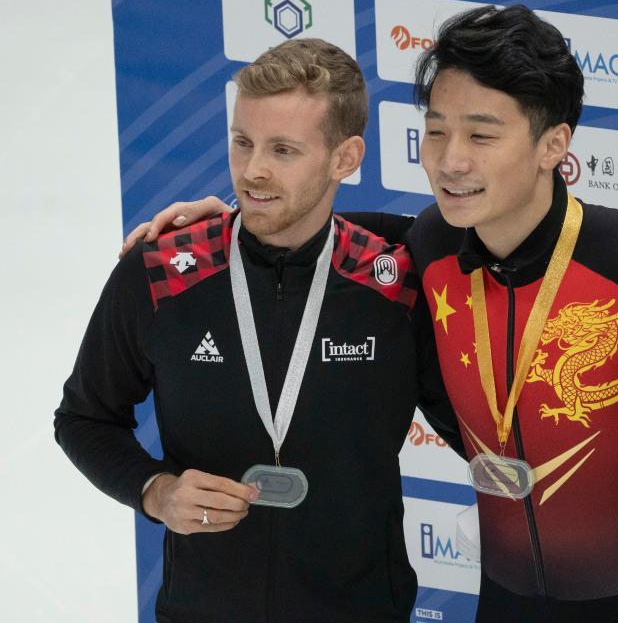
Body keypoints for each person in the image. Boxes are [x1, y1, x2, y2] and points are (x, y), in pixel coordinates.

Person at [122, 7, 618, 622]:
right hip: (504, 601)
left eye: (481, 136)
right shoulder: (429, 245)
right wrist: (232, 220)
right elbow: (313, 230)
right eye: (437, 131)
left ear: (553, 145)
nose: (450, 161)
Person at [55, 38, 459, 623]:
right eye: (242, 142)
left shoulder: (399, 285)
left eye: (283, 150)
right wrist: (154, 491)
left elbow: (476, 424)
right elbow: (83, 419)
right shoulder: (160, 272)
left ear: (345, 158)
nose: (253, 171)